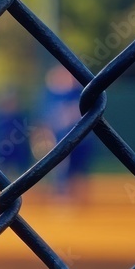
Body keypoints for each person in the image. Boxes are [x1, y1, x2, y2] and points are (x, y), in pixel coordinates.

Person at [37, 66, 93, 199]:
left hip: (81, 137)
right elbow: (45, 120)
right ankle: (62, 193)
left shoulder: (80, 93)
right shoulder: (49, 96)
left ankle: (78, 195)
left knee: (79, 168)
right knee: (60, 167)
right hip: (59, 138)